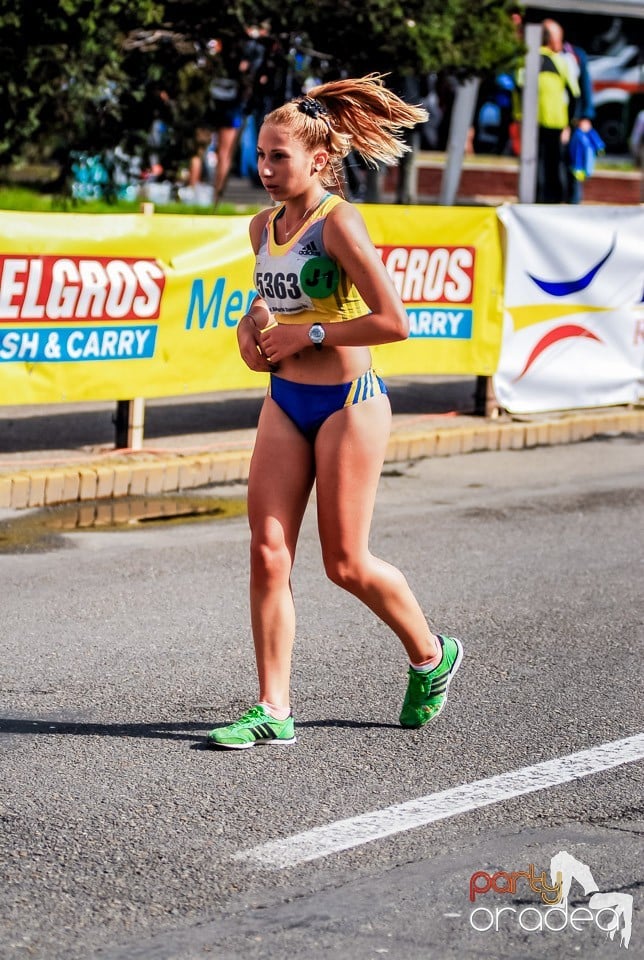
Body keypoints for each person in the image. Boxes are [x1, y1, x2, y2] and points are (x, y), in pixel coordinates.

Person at [206, 74, 463, 749]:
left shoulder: (339, 222)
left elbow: (394, 322)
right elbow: (268, 303)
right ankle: (273, 707)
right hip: (286, 401)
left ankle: (432, 655)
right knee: (267, 553)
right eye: (260, 155)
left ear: (319, 160)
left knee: (345, 563)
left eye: (277, 157)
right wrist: (248, 330)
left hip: (350, 403)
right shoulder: (263, 225)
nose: (264, 169)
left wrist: (311, 335)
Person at [536, 19, 580, 203]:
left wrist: (519, 119)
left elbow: (518, 88)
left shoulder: (527, 61)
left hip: (535, 123)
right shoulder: (561, 62)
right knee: (555, 165)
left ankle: (536, 200)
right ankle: (554, 202)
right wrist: (568, 123)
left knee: (536, 165)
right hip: (556, 122)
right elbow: (575, 94)